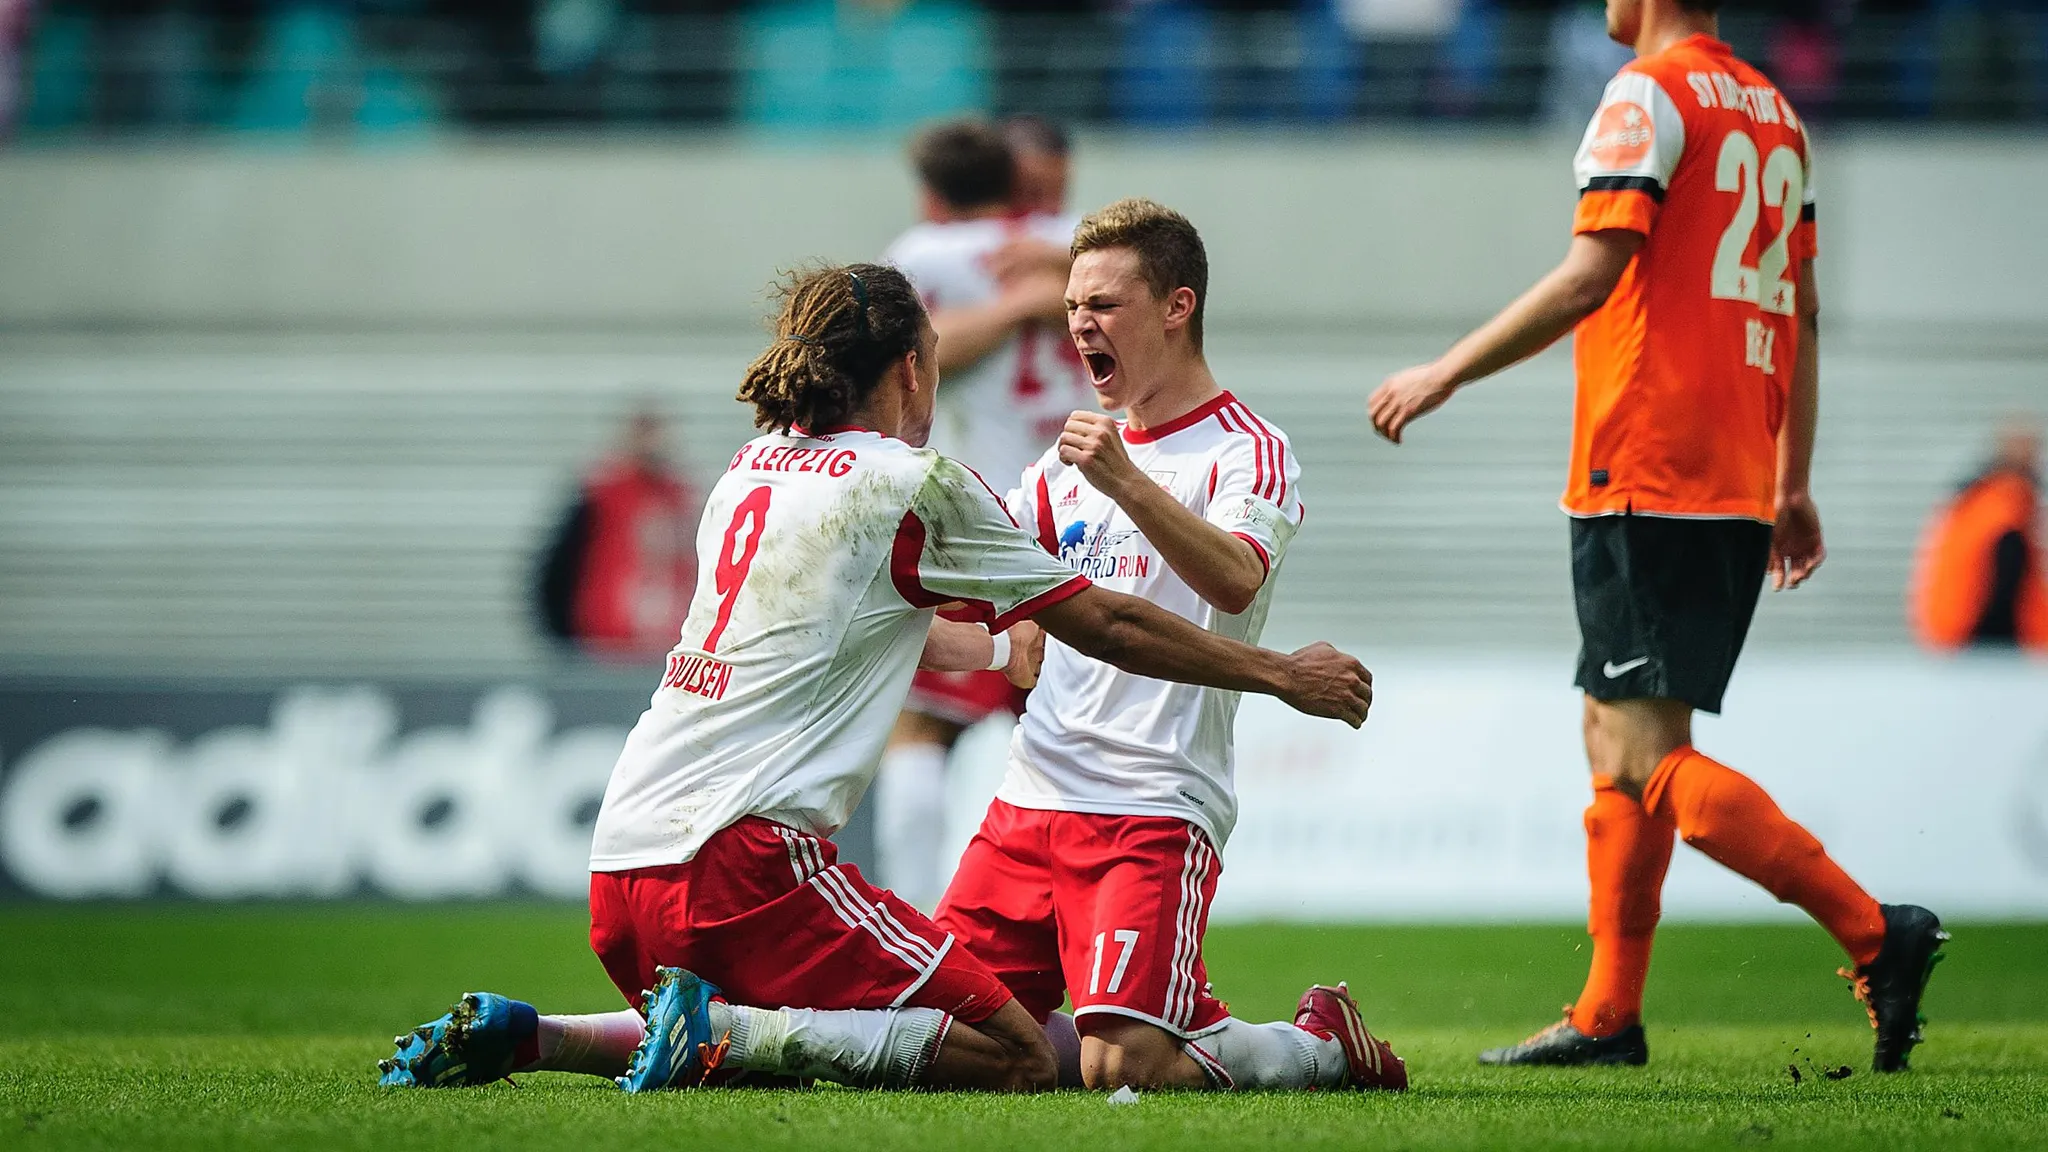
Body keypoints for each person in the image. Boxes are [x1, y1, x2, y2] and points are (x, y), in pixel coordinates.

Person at [379, 262, 1375, 1094]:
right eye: (936, 365)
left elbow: (860, 627)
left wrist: (993, 651)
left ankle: (538, 1034)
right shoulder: (912, 481)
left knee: (848, 1020)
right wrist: (1278, 673)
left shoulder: (750, 468)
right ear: (909, 367)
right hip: (745, 868)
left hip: (621, 870)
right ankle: (730, 1032)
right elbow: (1107, 619)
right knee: (1011, 1053)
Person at [1366, 0, 1946, 1073]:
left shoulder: (1644, 95)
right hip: (1730, 468)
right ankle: (1605, 1014)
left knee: (1646, 754)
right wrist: (1793, 477)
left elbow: (1593, 272)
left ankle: (1876, 933)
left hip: (1646, 463)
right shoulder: (1774, 111)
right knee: (1611, 738)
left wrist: (1441, 371)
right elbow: (1800, 314)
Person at [935, 198, 1408, 1095]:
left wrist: (1124, 480)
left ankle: (1318, 1045)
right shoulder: (1054, 472)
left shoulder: (1248, 450)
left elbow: (1234, 576)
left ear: (1176, 307)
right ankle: (1168, 1011)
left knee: (1125, 1066)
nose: (1080, 324)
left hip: (1153, 800)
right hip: (1031, 797)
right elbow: (1014, 629)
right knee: (938, 1040)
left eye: (1105, 304)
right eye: (1074, 306)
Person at [874, 117, 1097, 910]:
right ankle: (1079, 920)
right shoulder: (1093, 247)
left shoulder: (926, 255)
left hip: (980, 516)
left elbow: (904, 357)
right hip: (1078, 515)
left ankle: (910, 921)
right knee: (1070, 736)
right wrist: (1051, 285)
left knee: (922, 728)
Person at [534, 405, 700, 660]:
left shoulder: (681, 499)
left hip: (669, 646)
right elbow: (558, 569)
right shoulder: (598, 496)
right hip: (605, 644)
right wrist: (565, 639)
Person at [1909, 421, 2048, 652]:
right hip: (1976, 634)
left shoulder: (1978, 498)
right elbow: (2004, 581)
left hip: (1956, 626)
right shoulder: (2007, 504)